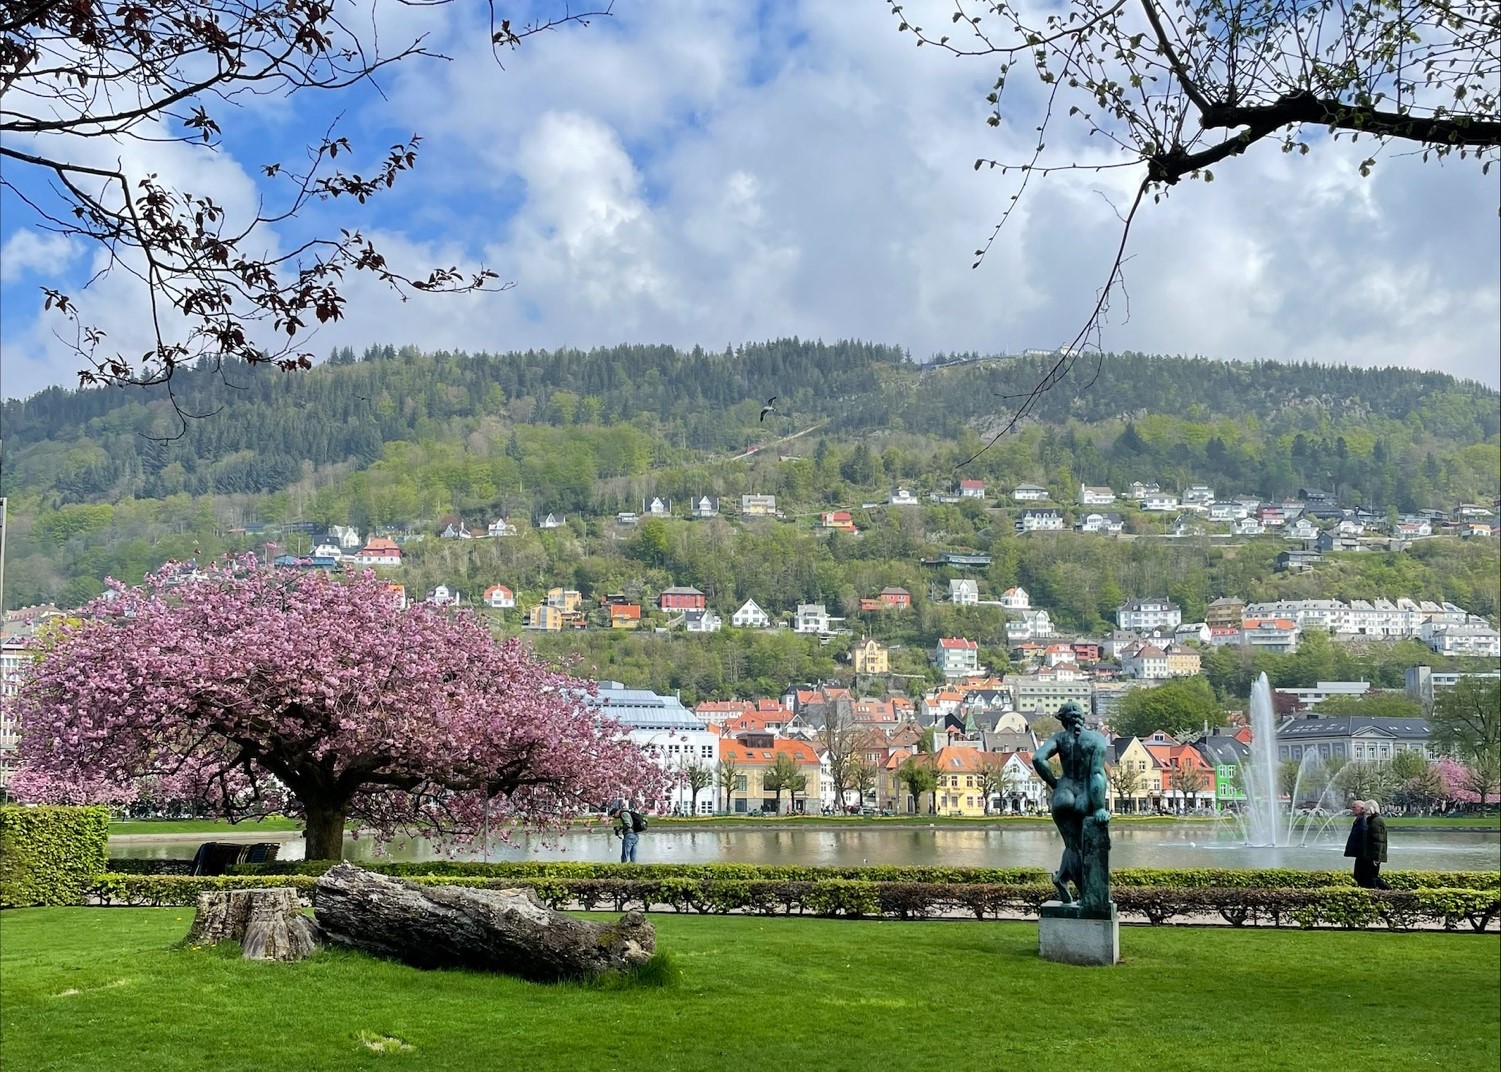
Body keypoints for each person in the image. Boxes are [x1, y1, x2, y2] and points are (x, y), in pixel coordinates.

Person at [1031, 701, 1112, 911]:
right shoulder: (1096, 740)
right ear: (1082, 718)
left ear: (1063, 720)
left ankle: (1063, 878)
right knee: (1088, 850)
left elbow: (1038, 758)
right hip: (1086, 795)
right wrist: (1099, 807)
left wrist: (1055, 784)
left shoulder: (1059, 739)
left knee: (1072, 847)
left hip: (1063, 795)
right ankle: (1087, 897)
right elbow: (1096, 775)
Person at [1362, 799, 1391, 890]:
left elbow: (1378, 841)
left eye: (1365, 809)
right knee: (1370, 877)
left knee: (1373, 878)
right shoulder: (1372, 820)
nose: (1364, 811)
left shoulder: (1376, 821)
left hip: (1373, 856)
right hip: (1371, 855)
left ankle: (1388, 890)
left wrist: (1376, 858)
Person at [606, 798, 640, 864]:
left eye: (614, 815)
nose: (614, 817)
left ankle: (623, 866)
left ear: (616, 812)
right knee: (633, 853)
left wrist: (619, 827)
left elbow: (628, 825)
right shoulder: (627, 813)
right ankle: (633, 866)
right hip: (634, 835)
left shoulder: (623, 813)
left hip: (629, 835)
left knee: (625, 852)